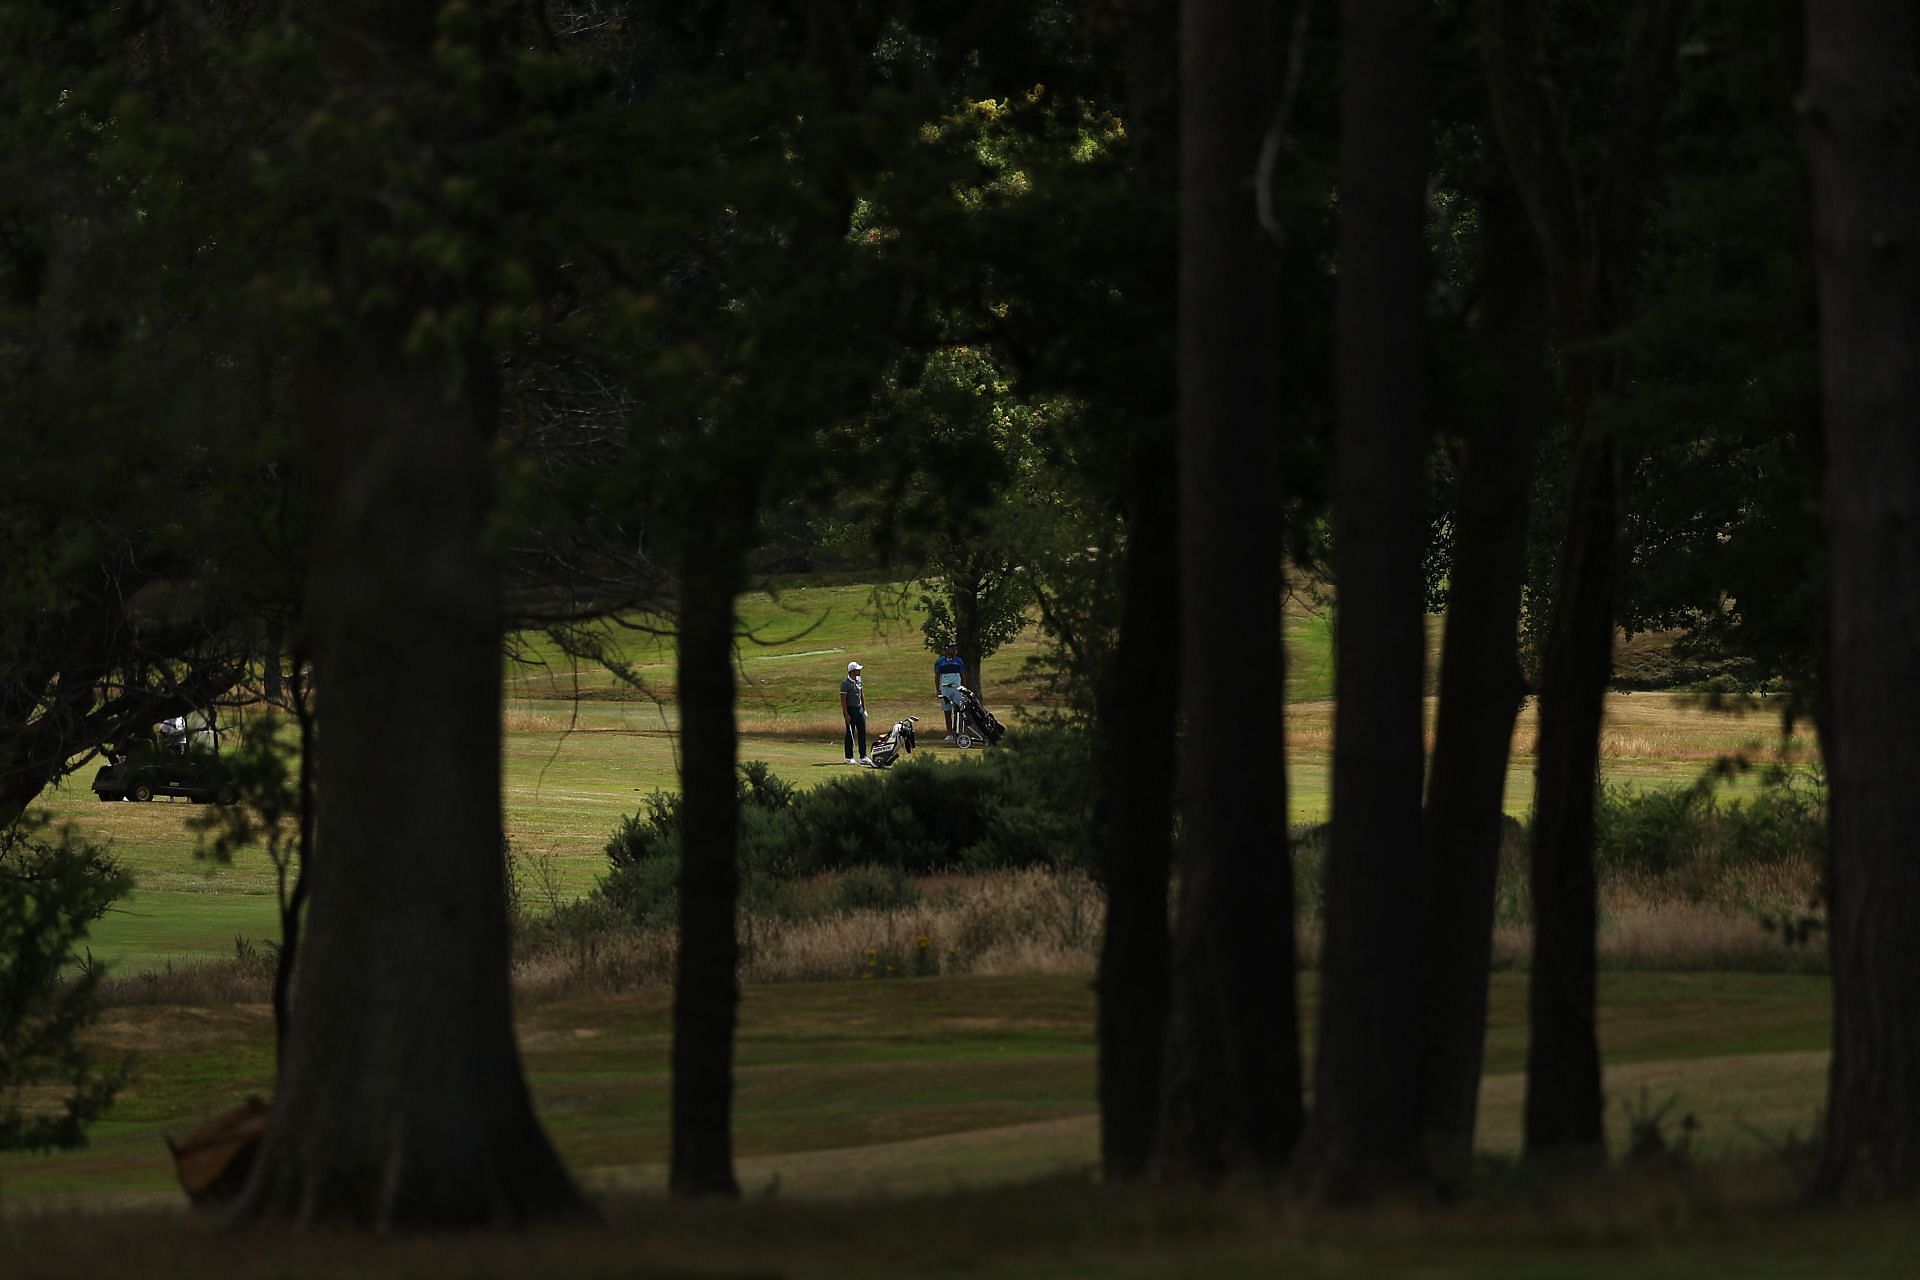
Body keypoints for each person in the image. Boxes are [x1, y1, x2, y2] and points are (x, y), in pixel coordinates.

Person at [840, 660, 871, 765]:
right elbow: (843, 700)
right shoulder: (845, 684)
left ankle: (863, 756)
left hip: (859, 709)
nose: (859, 671)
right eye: (857, 669)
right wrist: (846, 714)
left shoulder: (859, 680)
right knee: (850, 733)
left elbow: (861, 695)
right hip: (850, 710)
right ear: (852, 671)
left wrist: (864, 709)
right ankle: (848, 757)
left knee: (862, 732)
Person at [934, 641, 965, 742]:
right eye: (952, 648)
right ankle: (949, 733)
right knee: (947, 711)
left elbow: (962, 675)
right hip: (945, 688)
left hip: (956, 687)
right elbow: (937, 676)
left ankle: (959, 732)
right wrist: (938, 690)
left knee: (959, 711)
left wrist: (964, 688)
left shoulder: (959, 661)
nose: (954, 650)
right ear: (946, 649)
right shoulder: (940, 662)